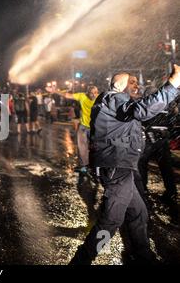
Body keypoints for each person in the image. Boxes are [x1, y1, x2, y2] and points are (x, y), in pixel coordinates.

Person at [70, 67, 180, 265]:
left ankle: (142, 256)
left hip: (120, 167)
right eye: (132, 82)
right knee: (111, 220)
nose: (137, 86)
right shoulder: (115, 99)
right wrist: (172, 85)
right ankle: (81, 260)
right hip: (117, 168)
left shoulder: (113, 103)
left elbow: (136, 118)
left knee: (138, 212)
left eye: (137, 83)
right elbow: (143, 110)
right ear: (120, 85)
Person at [58, 85, 99, 173]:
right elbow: (67, 95)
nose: (93, 95)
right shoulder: (82, 96)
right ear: (87, 93)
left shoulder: (100, 98)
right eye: (91, 93)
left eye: (95, 93)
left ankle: (96, 165)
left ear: (97, 92)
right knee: (82, 147)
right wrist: (54, 91)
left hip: (95, 127)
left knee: (96, 146)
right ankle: (84, 166)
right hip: (83, 126)